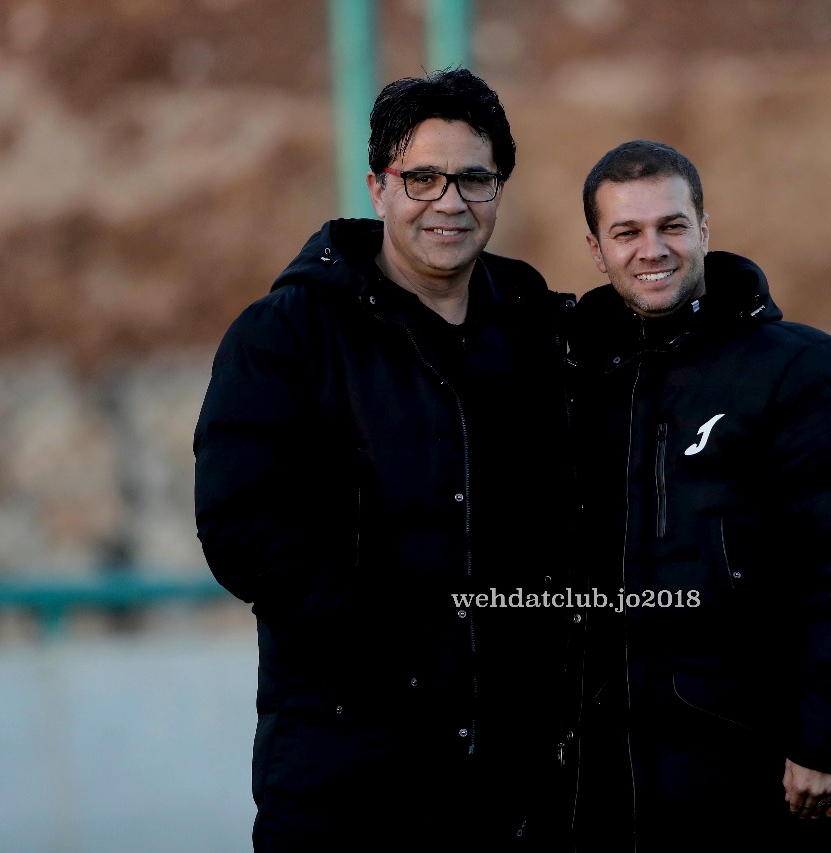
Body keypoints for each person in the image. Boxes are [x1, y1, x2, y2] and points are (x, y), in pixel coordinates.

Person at [193, 68, 578, 850]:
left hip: (515, 785)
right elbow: (242, 527)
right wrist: (394, 652)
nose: (449, 201)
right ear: (377, 187)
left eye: (474, 179)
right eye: (422, 177)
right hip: (348, 774)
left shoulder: (538, 327)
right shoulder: (285, 334)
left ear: (499, 190)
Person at [568, 140, 831, 851]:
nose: (652, 249)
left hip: (761, 778)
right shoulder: (574, 382)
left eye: (672, 225)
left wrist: (826, 742)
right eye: (627, 232)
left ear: (704, 228)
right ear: (597, 250)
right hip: (608, 789)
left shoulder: (802, 370)